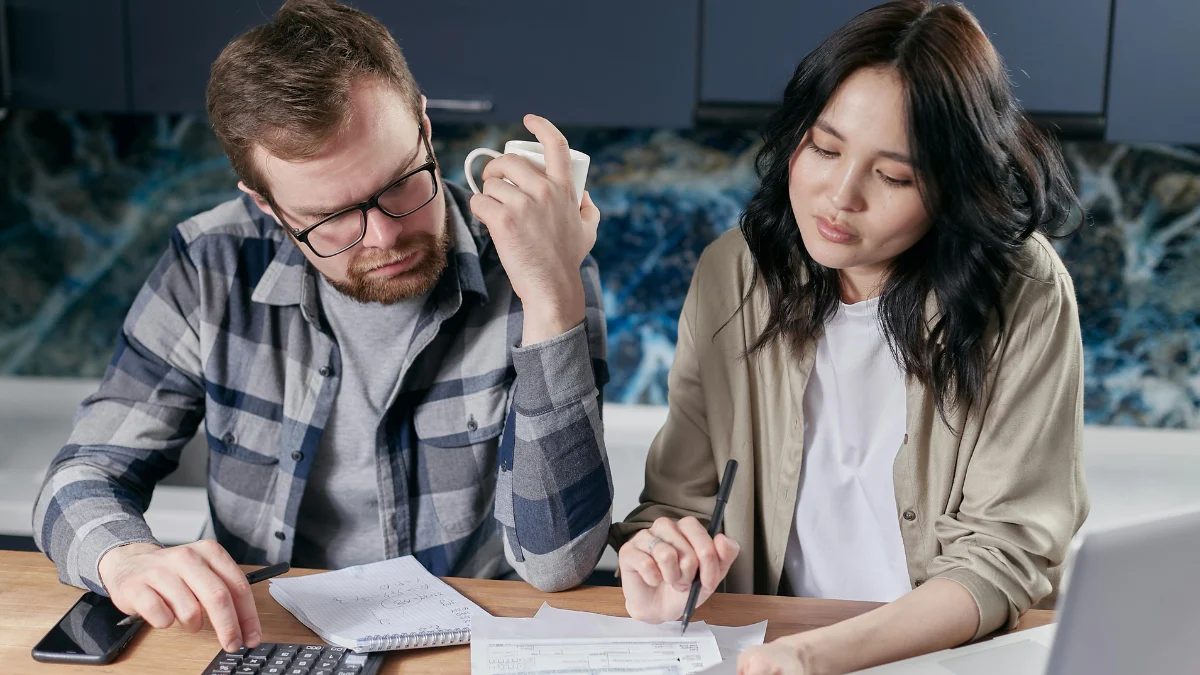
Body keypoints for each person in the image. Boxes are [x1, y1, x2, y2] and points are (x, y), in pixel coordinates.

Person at [33, 0, 613, 656]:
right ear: (266, 204)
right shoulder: (210, 262)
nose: (386, 234)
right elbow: (82, 474)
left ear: (423, 125)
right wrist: (127, 558)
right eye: (331, 216)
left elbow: (558, 560)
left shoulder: (535, 256)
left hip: (460, 649)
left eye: (399, 183)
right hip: (266, 643)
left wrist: (552, 294)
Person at [611, 2, 1088, 673]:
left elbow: (1003, 555)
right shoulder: (733, 274)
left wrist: (815, 654)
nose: (839, 196)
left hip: (940, 657)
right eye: (825, 148)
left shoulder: (1025, 292)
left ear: (954, 186)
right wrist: (664, 558)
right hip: (771, 650)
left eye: (892, 176)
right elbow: (679, 503)